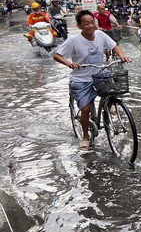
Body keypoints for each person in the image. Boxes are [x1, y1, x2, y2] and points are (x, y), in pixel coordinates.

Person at [53, 10, 131, 151]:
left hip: (100, 73)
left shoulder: (101, 35)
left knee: (113, 90)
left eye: (92, 22)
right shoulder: (73, 40)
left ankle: (110, 105)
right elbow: (57, 55)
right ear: (79, 26)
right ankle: (85, 137)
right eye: (86, 23)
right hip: (81, 78)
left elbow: (114, 46)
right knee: (86, 109)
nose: (90, 26)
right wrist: (69, 63)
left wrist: (122, 56)